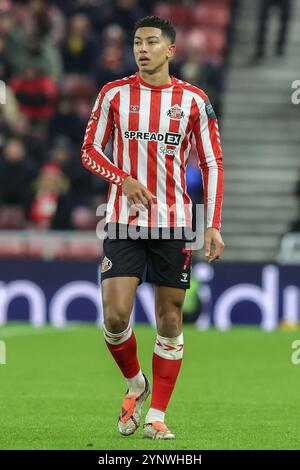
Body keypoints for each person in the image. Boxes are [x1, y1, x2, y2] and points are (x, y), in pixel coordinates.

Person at [81, 15, 224, 440]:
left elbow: (212, 163)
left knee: (170, 318)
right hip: (123, 221)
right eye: (137, 42)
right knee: (115, 316)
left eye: (151, 42)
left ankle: (157, 415)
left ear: (171, 50)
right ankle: (135, 384)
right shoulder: (113, 94)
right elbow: (89, 150)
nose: (142, 49)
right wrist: (121, 179)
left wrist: (212, 224)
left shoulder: (194, 100)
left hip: (176, 222)